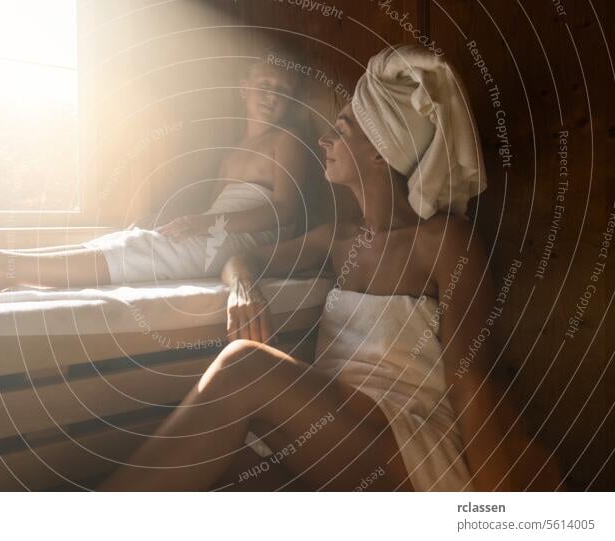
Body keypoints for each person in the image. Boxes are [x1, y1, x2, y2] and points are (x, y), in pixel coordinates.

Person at [96, 45, 562, 491]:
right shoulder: (338, 238)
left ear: (380, 151)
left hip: (405, 443)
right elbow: (245, 257)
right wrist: (242, 286)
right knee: (216, 468)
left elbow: (471, 377)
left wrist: (496, 507)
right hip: (330, 435)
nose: (325, 138)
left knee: (245, 366)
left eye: (341, 129)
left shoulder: (444, 241)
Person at [0, 52, 308, 291]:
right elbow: (214, 213)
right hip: (221, 230)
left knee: (137, 248)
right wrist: (186, 221)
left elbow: (286, 210)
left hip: (250, 242)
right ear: (243, 88)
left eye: (284, 91)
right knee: (128, 238)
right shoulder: (232, 153)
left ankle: (0, 267)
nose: (273, 96)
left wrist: (206, 225)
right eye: (265, 85)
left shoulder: (286, 140)